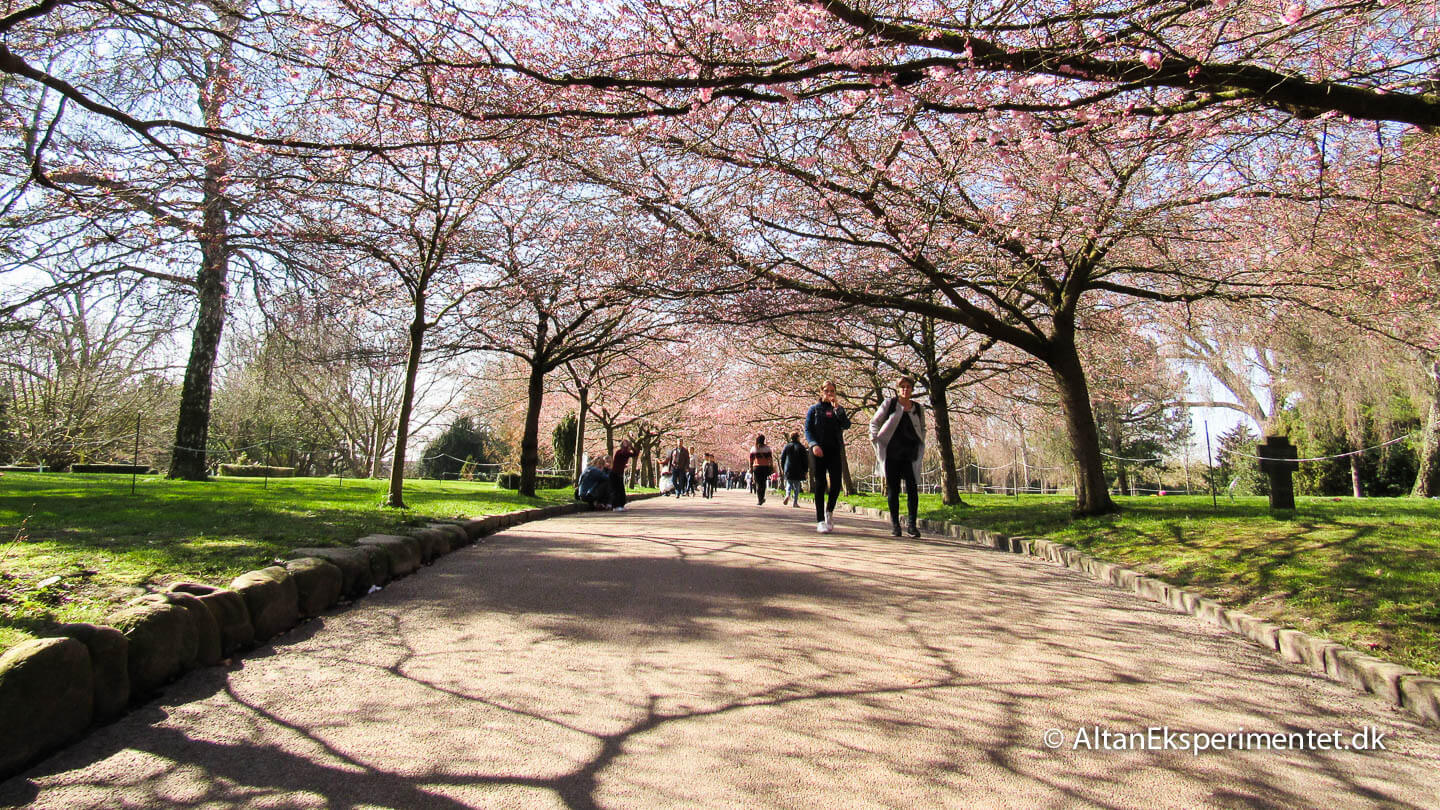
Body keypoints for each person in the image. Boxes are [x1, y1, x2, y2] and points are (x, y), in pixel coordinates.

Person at [870, 375, 926, 537]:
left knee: (912, 490)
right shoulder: (890, 404)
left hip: (910, 454)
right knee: (893, 489)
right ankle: (895, 525)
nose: (905, 389)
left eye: (908, 386)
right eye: (902, 386)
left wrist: (921, 439)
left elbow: (922, 427)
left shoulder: (917, 408)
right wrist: (875, 437)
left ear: (912, 389)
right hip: (892, 453)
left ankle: (912, 525)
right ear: (897, 389)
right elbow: (874, 422)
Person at [805, 380, 851, 533]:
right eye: (827, 391)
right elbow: (808, 430)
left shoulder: (838, 410)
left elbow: (846, 425)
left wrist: (838, 408)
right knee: (820, 483)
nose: (830, 394)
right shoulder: (814, 410)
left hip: (834, 450)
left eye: (832, 391)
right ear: (821, 392)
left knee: (836, 483)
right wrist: (813, 444)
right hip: (818, 451)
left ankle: (829, 511)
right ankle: (820, 520)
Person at [779, 431, 809, 507]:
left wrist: (783, 468)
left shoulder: (787, 446)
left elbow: (782, 458)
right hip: (798, 469)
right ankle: (795, 502)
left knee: (789, 483)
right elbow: (805, 460)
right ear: (798, 438)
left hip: (788, 468)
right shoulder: (801, 447)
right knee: (797, 486)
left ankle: (787, 495)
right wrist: (805, 470)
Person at [749, 434, 775, 506]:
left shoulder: (753, 448)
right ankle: (762, 497)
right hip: (765, 467)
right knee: (763, 483)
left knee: (757, 483)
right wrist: (771, 466)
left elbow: (751, 459)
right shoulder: (767, 448)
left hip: (756, 467)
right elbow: (770, 459)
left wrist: (750, 468)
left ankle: (759, 499)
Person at [610, 439, 635, 511]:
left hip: (620, 474)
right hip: (615, 473)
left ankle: (620, 505)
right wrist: (626, 447)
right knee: (617, 490)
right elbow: (623, 453)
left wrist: (631, 447)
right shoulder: (619, 452)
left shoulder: (627, 453)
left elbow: (635, 454)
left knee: (621, 490)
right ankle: (615, 506)